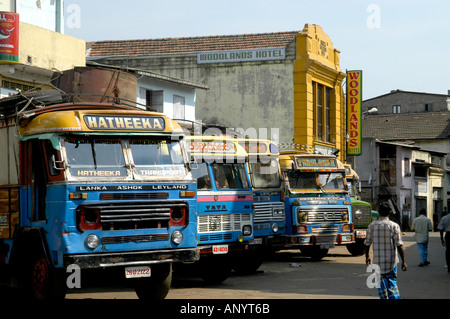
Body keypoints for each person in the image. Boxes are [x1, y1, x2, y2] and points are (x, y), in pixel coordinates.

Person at [365, 202, 407, 299]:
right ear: (389, 213)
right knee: (392, 284)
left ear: (379, 212)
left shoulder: (372, 226)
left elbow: (367, 243)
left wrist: (367, 257)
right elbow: (399, 245)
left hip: (378, 263)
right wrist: (403, 261)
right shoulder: (394, 226)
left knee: (382, 287)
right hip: (391, 262)